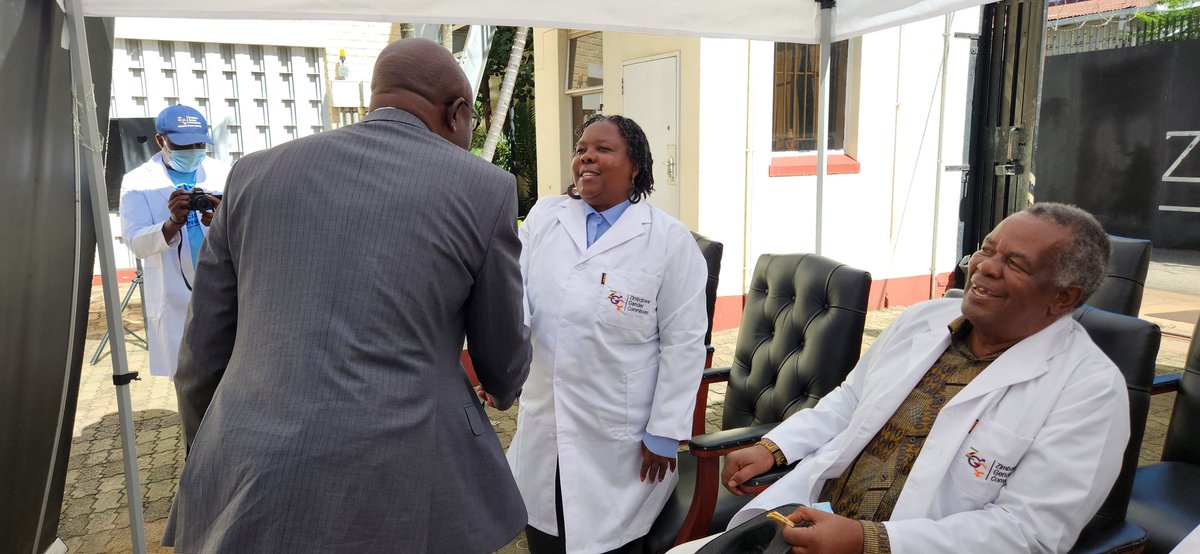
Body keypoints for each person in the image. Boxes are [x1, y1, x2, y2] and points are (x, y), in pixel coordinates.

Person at [162, 38, 530, 553]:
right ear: (457, 113)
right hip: (406, 493)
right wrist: (508, 385)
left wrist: (215, 460)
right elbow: (500, 363)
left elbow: (199, 360)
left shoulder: (251, 175)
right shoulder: (485, 188)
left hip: (252, 485)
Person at [673, 203, 1130, 554]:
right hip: (814, 519)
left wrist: (870, 542)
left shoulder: (1089, 392)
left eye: (1016, 263)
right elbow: (852, 399)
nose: (985, 266)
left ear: (1062, 297)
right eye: (987, 249)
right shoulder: (927, 320)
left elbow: (1028, 533)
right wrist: (776, 447)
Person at [498, 114, 708, 553]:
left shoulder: (669, 241)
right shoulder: (544, 217)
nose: (586, 157)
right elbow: (514, 294)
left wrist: (666, 430)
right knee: (546, 532)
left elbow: (684, 342)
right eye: (581, 149)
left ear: (636, 166)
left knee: (611, 542)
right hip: (544, 423)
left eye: (603, 149)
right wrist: (502, 358)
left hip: (621, 439)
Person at [118, 104, 229, 380]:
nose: (193, 150)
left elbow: (246, 228)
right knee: (187, 379)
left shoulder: (223, 172)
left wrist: (221, 220)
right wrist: (171, 224)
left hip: (222, 289)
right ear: (160, 140)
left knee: (229, 371)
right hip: (174, 295)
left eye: (199, 143)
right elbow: (135, 241)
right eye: (182, 145)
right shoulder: (138, 182)